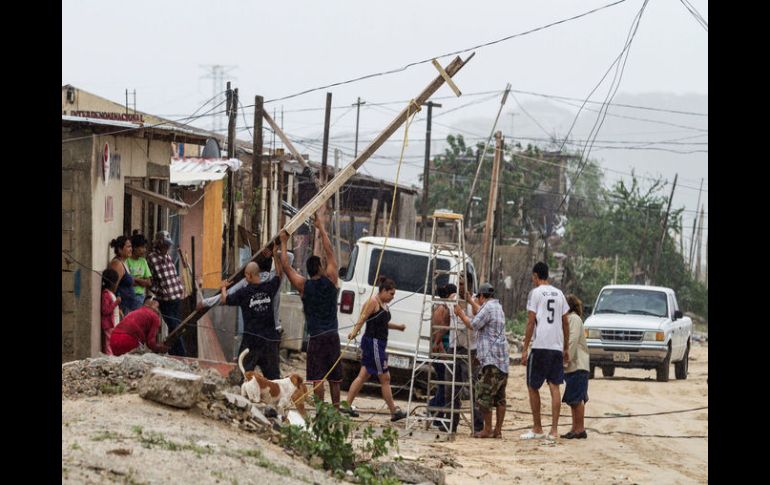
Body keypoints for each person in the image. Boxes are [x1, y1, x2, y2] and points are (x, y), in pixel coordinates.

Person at [280, 205, 343, 408]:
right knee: (334, 379)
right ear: (321, 268)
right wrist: (320, 227)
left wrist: (283, 242)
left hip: (316, 337)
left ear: (308, 271)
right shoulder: (331, 279)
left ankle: (320, 412)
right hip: (332, 335)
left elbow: (286, 266)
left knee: (318, 379)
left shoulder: (303, 285)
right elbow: (330, 251)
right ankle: (335, 411)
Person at [520, 261, 570, 441]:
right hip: (556, 346)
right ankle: (554, 430)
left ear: (535, 276)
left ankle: (537, 428)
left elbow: (530, 321)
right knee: (554, 386)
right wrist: (565, 347)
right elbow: (565, 322)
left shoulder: (535, 293)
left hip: (540, 345)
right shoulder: (559, 293)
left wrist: (525, 348)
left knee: (532, 386)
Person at [345, 276, 408, 421]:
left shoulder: (384, 304)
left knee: (363, 375)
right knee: (385, 377)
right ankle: (393, 411)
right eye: (391, 294)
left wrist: (398, 327)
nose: (392, 297)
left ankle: (346, 405)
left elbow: (382, 323)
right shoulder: (373, 302)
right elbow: (362, 318)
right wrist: (354, 332)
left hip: (379, 344)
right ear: (383, 291)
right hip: (373, 343)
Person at [454, 282, 509, 438]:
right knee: (500, 398)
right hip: (502, 362)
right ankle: (497, 431)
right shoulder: (497, 307)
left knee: (483, 396)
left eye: (477, 297)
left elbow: (473, 324)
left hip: (491, 362)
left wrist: (460, 313)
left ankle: (487, 429)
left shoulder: (488, 307)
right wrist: (470, 302)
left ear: (482, 296)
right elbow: (481, 313)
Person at [220, 256, 283, 380]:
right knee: (274, 379)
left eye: (245, 275)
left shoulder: (244, 293)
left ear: (249, 275)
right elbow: (279, 275)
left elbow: (224, 299)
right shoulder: (268, 287)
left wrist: (223, 287)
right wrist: (275, 255)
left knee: (244, 375)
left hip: (251, 342)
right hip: (269, 341)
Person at [447, 277, 484, 433]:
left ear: (469, 285)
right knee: (451, 388)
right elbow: (442, 313)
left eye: (462, 284)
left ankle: (478, 426)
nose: (459, 286)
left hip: (472, 350)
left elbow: (482, 314)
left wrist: (469, 301)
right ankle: (451, 424)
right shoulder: (452, 299)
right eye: (458, 283)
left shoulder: (476, 301)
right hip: (454, 347)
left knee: (474, 388)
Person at [147, 230, 186, 357]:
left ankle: (174, 354)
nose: (167, 247)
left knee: (175, 328)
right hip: (165, 300)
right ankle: (183, 355)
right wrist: (161, 292)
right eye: (165, 245)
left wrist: (180, 288)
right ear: (159, 244)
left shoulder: (168, 256)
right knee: (175, 327)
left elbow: (173, 275)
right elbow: (150, 281)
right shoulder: (151, 258)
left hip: (176, 297)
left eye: (168, 245)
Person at [561, 294, 590, 439]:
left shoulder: (574, 319)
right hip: (574, 366)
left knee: (577, 399)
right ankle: (575, 428)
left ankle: (579, 429)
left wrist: (565, 360)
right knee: (573, 399)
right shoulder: (570, 319)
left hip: (578, 365)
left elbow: (571, 341)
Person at [428, 284, 453, 427]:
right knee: (444, 385)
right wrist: (443, 352)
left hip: (442, 351)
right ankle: (436, 414)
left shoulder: (442, 308)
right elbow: (438, 332)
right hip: (440, 352)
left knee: (443, 385)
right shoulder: (442, 309)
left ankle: (433, 408)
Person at [109, 236, 141, 315]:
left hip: (128, 307)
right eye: (128, 247)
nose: (131, 249)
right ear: (120, 249)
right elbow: (112, 288)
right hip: (122, 308)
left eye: (131, 247)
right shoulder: (117, 264)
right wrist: (118, 307)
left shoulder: (124, 262)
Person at [100, 268, 122, 355]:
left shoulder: (111, 293)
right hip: (109, 325)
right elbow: (105, 310)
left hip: (114, 324)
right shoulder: (106, 294)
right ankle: (109, 358)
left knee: (113, 342)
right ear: (112, 283)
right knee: (109, 343)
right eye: (116, 282)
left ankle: (112, 357)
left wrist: (118, 310)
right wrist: (116, 303)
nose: (117, 285)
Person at [127, 233, 153, 303]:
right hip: (128, 295)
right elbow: (127, 282)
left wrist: (135, 279)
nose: (145, 250)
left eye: (145, 248)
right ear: (135, 247)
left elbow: (149, 283)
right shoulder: (127, 260)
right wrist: (142, 281)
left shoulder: (143, 261)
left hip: (140, 296)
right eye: (142, 247)